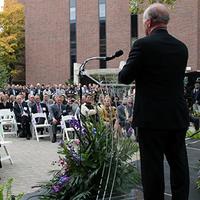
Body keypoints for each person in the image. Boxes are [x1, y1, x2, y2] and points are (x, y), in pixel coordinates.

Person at [118, 3, 189, 200]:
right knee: (179, 165)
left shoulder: (142, 45)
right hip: (176, 115)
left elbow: (124, 77)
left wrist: (124, 65)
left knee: (152, 168)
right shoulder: (181, 47)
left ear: (148, 22)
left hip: (151, 119)